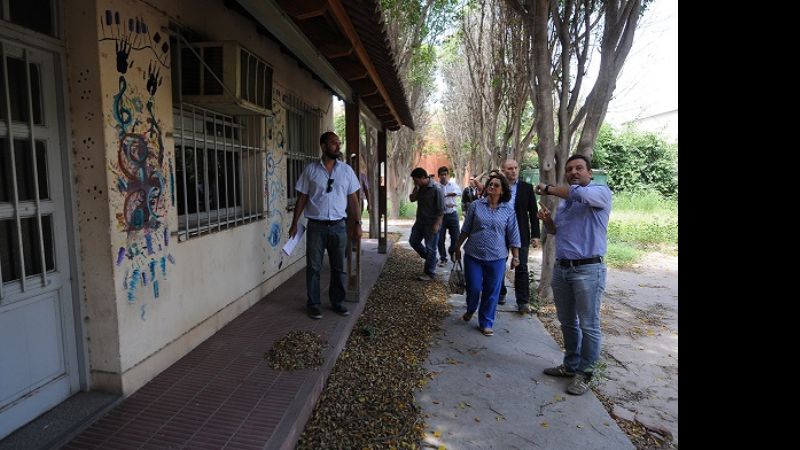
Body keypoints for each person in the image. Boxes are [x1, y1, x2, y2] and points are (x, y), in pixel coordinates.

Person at [536, 154, 612, 396]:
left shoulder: (600, 192)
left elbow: (579, 194)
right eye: (569, 169)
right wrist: (547, 221)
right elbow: (554, 232)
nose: (574, 172)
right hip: (563, 268)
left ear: (590, 173)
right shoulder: (566, 203)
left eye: (579, 168)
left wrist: (547, 188)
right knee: (568, 322)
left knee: (589, 325)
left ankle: (585, 373)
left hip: (589, 269)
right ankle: (570, 366)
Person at [289, 131, 362, 320]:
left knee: (339, 267)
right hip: (316, 227)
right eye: (333, 143)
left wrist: (357, 224)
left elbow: (353, 199)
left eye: (338, 143)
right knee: (314, 267)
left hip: (339, 226)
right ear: (322, 146)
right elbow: (302, 198)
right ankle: (313, 304)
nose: (338, 146)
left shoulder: (346, 171)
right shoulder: (310, 170)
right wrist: (294, 223)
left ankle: (337, 302)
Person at [453, 174, 520, 336]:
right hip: (473, 255)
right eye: (490, 184)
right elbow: (466, 229)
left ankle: (486, 322)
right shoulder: (476, 205)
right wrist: (457, 247)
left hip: (496, 257)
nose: (492, 187)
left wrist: (515, 256)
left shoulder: (508, 211)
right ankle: (470, 309)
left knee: (492, 291)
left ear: (502, 190)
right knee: (474, 288)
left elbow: (513, 235)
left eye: (496, 185)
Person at [498, 159, 541, 313]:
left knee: (521, 267)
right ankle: (500, 292)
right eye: (510, 168)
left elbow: (533, 213)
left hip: (521, 232)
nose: (514, 171)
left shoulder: (526, 188)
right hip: (500, 232)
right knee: (498, 264)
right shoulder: (498, 187)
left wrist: (536, 235)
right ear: (503, 170)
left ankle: (522, 302)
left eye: (516, 168)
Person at [408, 167, 444, 281]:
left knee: (431, 248)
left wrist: (437, 224)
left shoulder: (436, 189)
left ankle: (429, 273)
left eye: (416, 180)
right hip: (420, 222)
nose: (415, 182)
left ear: (423, 177)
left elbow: (441, 209)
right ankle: (431, 259)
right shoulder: (419, 187)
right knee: (413, 241)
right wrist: (417, 189)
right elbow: (412, 199)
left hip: (431, 223)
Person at [436, 166, 461, 266]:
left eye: (445, 174)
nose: (443, 176)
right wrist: (445, 202)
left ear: (447, 175)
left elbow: (458, 192)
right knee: (440, 238)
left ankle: (452, 251)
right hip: (441, 215)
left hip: (452, 214)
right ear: (438, 176)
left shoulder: (453, 184)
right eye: (441, 174)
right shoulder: (437, 187)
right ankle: (443, 258)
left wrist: (446, 195)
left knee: (456, 236)